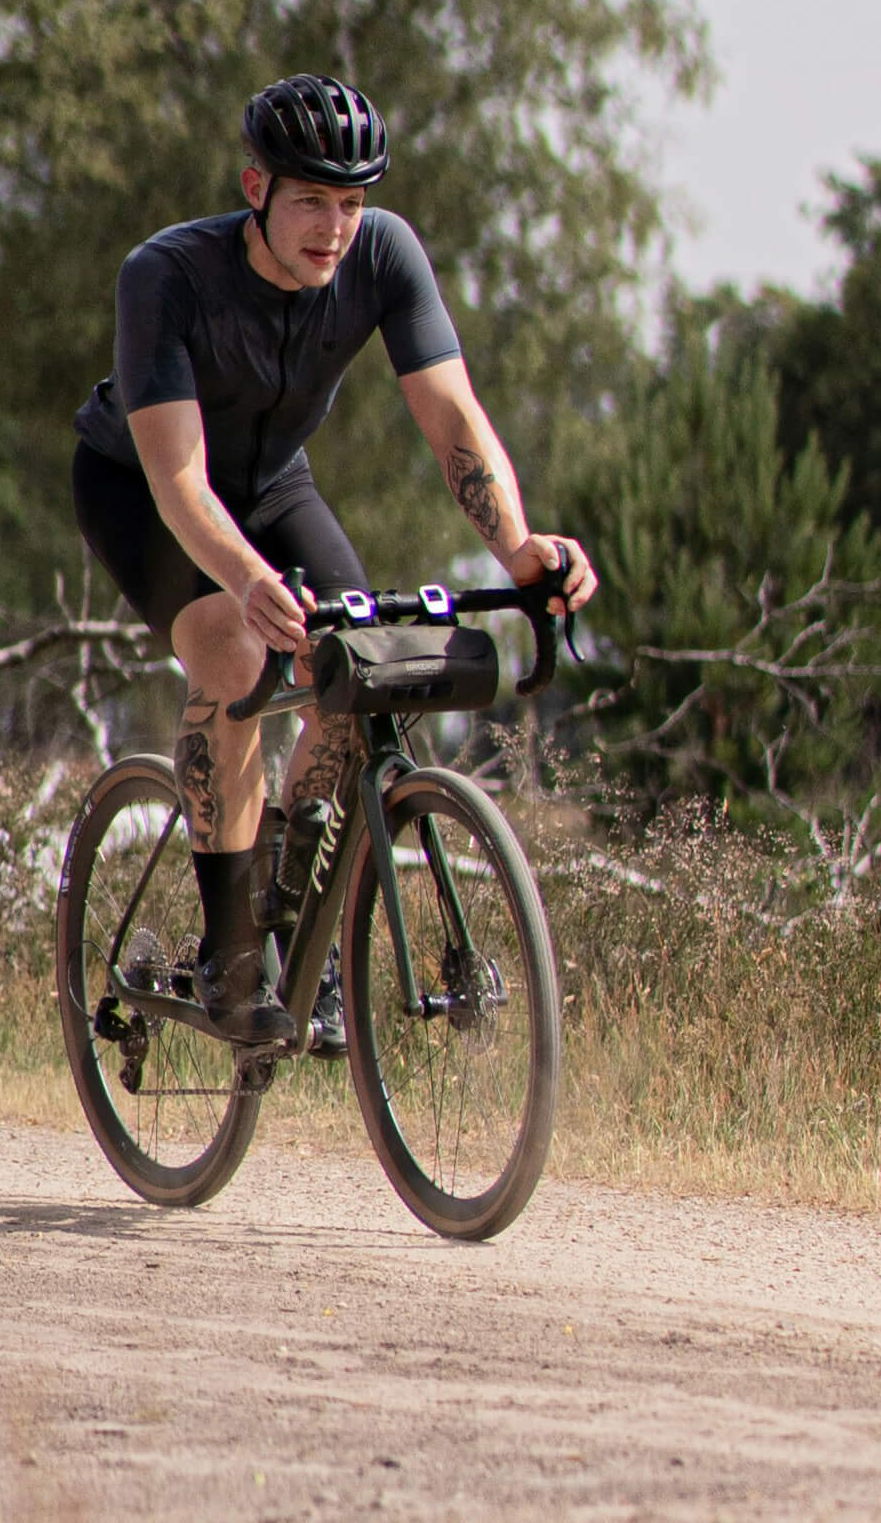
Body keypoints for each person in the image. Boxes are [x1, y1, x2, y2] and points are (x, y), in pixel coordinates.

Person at [71, 73, 596, 1048]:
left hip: (273, 483)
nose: (335, 228)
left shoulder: (384, 253)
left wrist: (520, 548)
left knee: (367, 673)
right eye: (311, 200)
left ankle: (288, 910)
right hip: (142, 486)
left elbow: (452, 418)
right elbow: (179, 479)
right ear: (256, 189)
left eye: (351, 202)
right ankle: (232, 953)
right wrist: (247, 582)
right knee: (234, 655)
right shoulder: (166, 275)